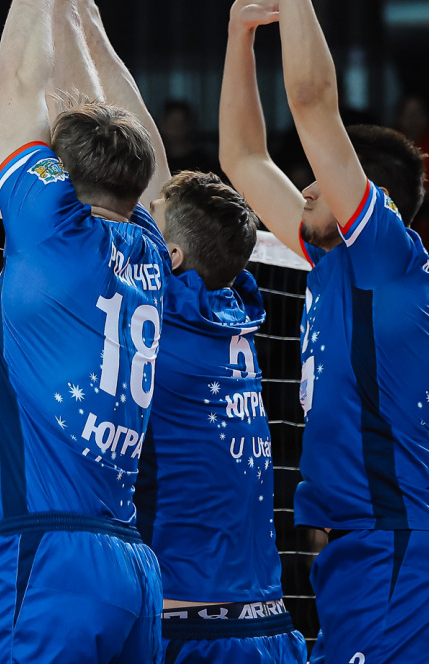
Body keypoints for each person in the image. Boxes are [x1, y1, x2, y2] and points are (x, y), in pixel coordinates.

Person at [219, 0, 429, 664]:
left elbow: (312, 102)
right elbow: (242, 160)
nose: (302, 189)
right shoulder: (330, 259)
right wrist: (239, 32)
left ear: (365, 190)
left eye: (317, 181)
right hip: (361, 556)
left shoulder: (388, 253)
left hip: (399, 550)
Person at [0, 0, 169, 664]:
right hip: (129, 565)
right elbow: (142, 144)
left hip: (47, 560)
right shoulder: (148, 246)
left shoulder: (54, 233)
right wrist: (80, 7)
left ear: (61, 179)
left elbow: (15, 83)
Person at [140, 171, 305, 664]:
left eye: (149, 220)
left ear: (172, 257)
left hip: (192, 625)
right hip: (269, 622)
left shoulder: (160, 319)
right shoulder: (232, 311)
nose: (139, 222)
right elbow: (174, 206)